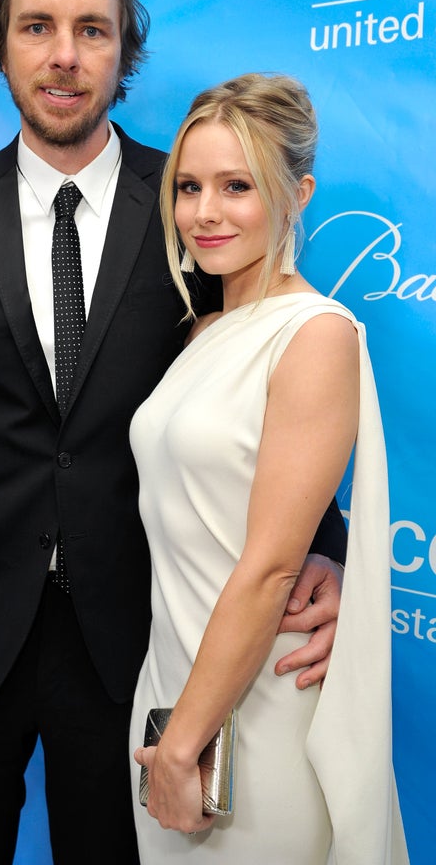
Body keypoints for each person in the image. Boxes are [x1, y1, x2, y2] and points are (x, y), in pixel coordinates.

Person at [0, 0, 346, 865]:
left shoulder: (193, 199)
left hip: (140, 633)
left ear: (126, 50)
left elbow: (266, 375)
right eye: (37, 27)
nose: (64, 57)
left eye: (93, 30)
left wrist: (326, 546)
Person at [130, 73, 408, 864]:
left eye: (237, 186)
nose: (205, 212)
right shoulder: (198, 332)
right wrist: (174, 730)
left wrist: (184, 747)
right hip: (171, 693)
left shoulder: (316, 333)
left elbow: (271, 564)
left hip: (256, 714)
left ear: (297, 194)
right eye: (188, 187)